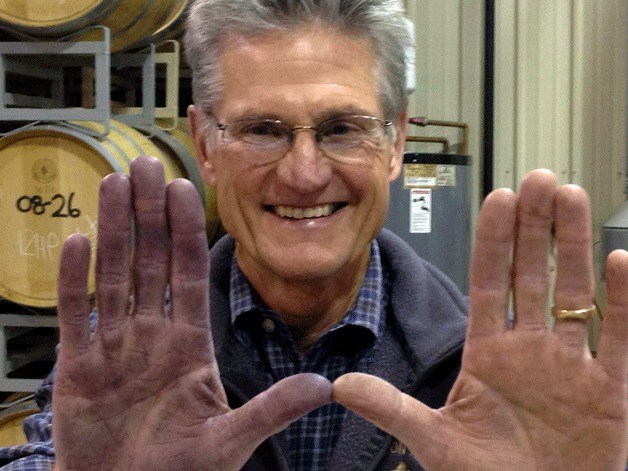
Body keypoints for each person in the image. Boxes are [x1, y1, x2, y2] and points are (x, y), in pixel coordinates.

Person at [0, 0, 626, 470]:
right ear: (204, 145)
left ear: (396, 143)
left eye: (342, 128)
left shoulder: (484, 367)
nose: (303, 174)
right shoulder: (128, 351)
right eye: (263, 129)